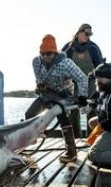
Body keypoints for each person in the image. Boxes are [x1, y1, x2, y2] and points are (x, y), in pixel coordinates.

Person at [25, 34, 88, 163]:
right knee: (29, 114)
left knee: (63, 119)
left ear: (54, 53)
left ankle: (71, 152)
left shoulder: (66, 63)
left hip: (62, 94)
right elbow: (39, 79)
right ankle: (31, 138)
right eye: (43, 54)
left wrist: (82, 96)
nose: (46, 57)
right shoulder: (36, 62)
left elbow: (82, 78)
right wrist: (39, 86)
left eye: (49, 54)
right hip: (46, 93)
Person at [62, 24, 103, 137]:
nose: (88, 36)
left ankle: (92, 139)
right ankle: (75, 138)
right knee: (74, 111)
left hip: (91, 82)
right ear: (79, 33)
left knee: (91, 110)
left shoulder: (93, 48)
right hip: (74, 83)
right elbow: (60, 64)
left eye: (90, 34)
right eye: (86, 33)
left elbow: (100, 67)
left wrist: (99, 88)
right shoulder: (69, 47)